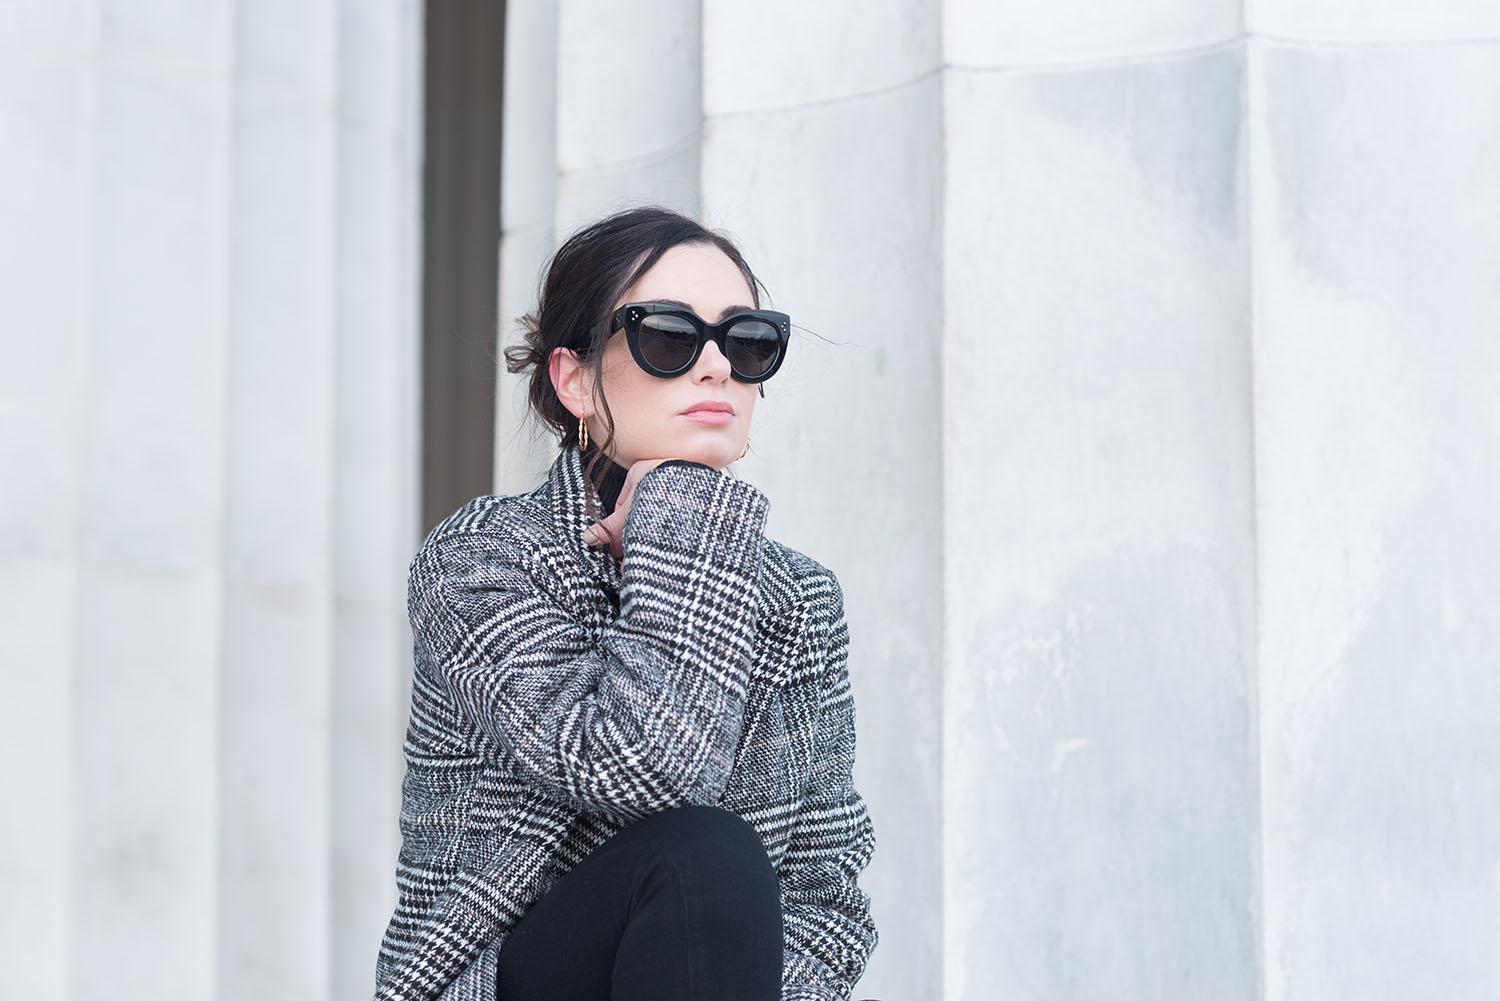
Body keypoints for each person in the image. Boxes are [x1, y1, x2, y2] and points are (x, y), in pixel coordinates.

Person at [372, 206, 877, 1001]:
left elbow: (824, 897)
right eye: (670, 337)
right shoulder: (481, 559)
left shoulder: (798, 597)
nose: (717, 369)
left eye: (746, 343)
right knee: (701, 854)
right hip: (499, 984)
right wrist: (684, 513)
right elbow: (642, 769)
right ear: (573, 378)